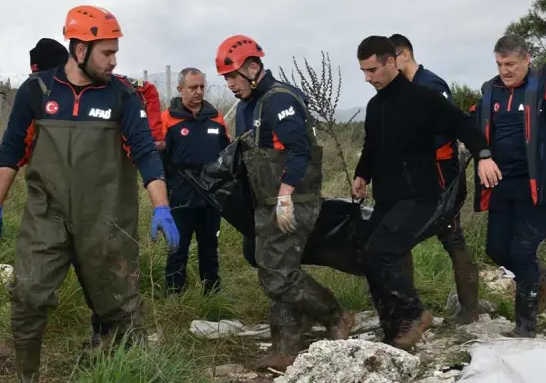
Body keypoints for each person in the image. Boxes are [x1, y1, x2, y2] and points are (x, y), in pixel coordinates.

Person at [0, 5, 180, 382]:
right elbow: (11, 150)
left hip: (106, 218)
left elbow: (145, 151)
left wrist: (161, 207)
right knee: (28, 295)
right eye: (107, 52)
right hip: (46, 215)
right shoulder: (37, 91)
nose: (114, 61)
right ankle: (27, 376)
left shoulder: (123, 96)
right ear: (80, 49)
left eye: (115, 52)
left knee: (121, 305)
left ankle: (123, 372)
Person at [351, 35, 500, 350]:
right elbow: (371, 145)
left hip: (419, 196)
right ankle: (393, 328)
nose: (367, 78)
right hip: (388, 197)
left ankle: (415, 314)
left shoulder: (423, 98)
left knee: (383, 252)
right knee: (367, 253)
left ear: (392, 62)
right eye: (363, 71)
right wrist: (362, 174)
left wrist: (484, 155)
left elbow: (462, 125)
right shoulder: (375, 106)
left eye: (372, 70)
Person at [217, 34, 354, 371]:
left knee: (277, 275)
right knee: (276, 268)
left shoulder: (280, 99)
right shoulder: (250, 104)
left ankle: (335, 315)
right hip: (267, 200)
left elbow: (299, 149)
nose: (230, 84)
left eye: (233, 76)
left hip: (292, 200)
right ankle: (285, 349)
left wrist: (285, 195)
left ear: (253, 67)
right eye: (226, 78)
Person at [468, 34, 546, 338]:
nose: (505, 70)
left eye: (510, 64)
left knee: (522, 252)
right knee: (496, 249)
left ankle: (525, 325)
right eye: (499, 64)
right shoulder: (490, 92)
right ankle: (545, 279)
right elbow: (470, 126)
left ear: (527, 59)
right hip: (500, 185)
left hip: (537, 187)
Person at [0, 40, 165, 199]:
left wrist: (154, 136)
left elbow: (147, 89)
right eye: (37, 76)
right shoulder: (39, 97)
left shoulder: (109, 83)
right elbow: (18, 145)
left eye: (45, 75)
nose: (42, 82)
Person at [389, 33, 480, 324]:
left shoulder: (432, 86)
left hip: (441, 177)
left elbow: (447, 128)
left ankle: (465, 310)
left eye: (391, 60)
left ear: (404, 55)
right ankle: (413, 311)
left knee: (446, 237)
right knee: (411, 238)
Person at [160, 67, 230, 295]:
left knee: (210, 248)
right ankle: (174, 297)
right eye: (193, 87)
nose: (198, 92)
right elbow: (159, 160)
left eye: (201, 87)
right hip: (179, 197)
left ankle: (212, 296)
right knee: (177, 249)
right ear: (180, 89)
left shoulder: (216, 118)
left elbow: (227, 156)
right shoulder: (167, 119)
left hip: (211, 198)